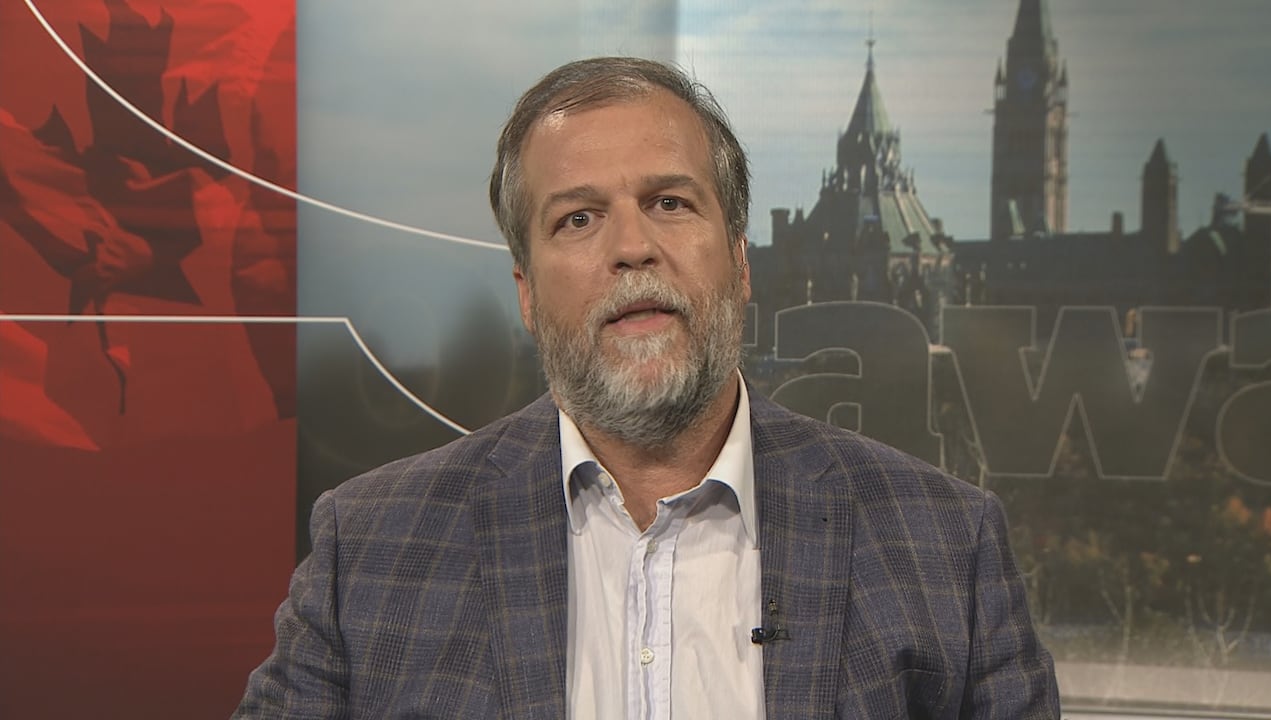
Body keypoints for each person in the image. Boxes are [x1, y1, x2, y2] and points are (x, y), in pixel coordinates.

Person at [235, 56, 1060, 719]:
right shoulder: (369, 551)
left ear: (739, 263)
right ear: (525, 290)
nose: (631, 247)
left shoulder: (948, 547)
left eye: (669, 202)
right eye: (578, 218)